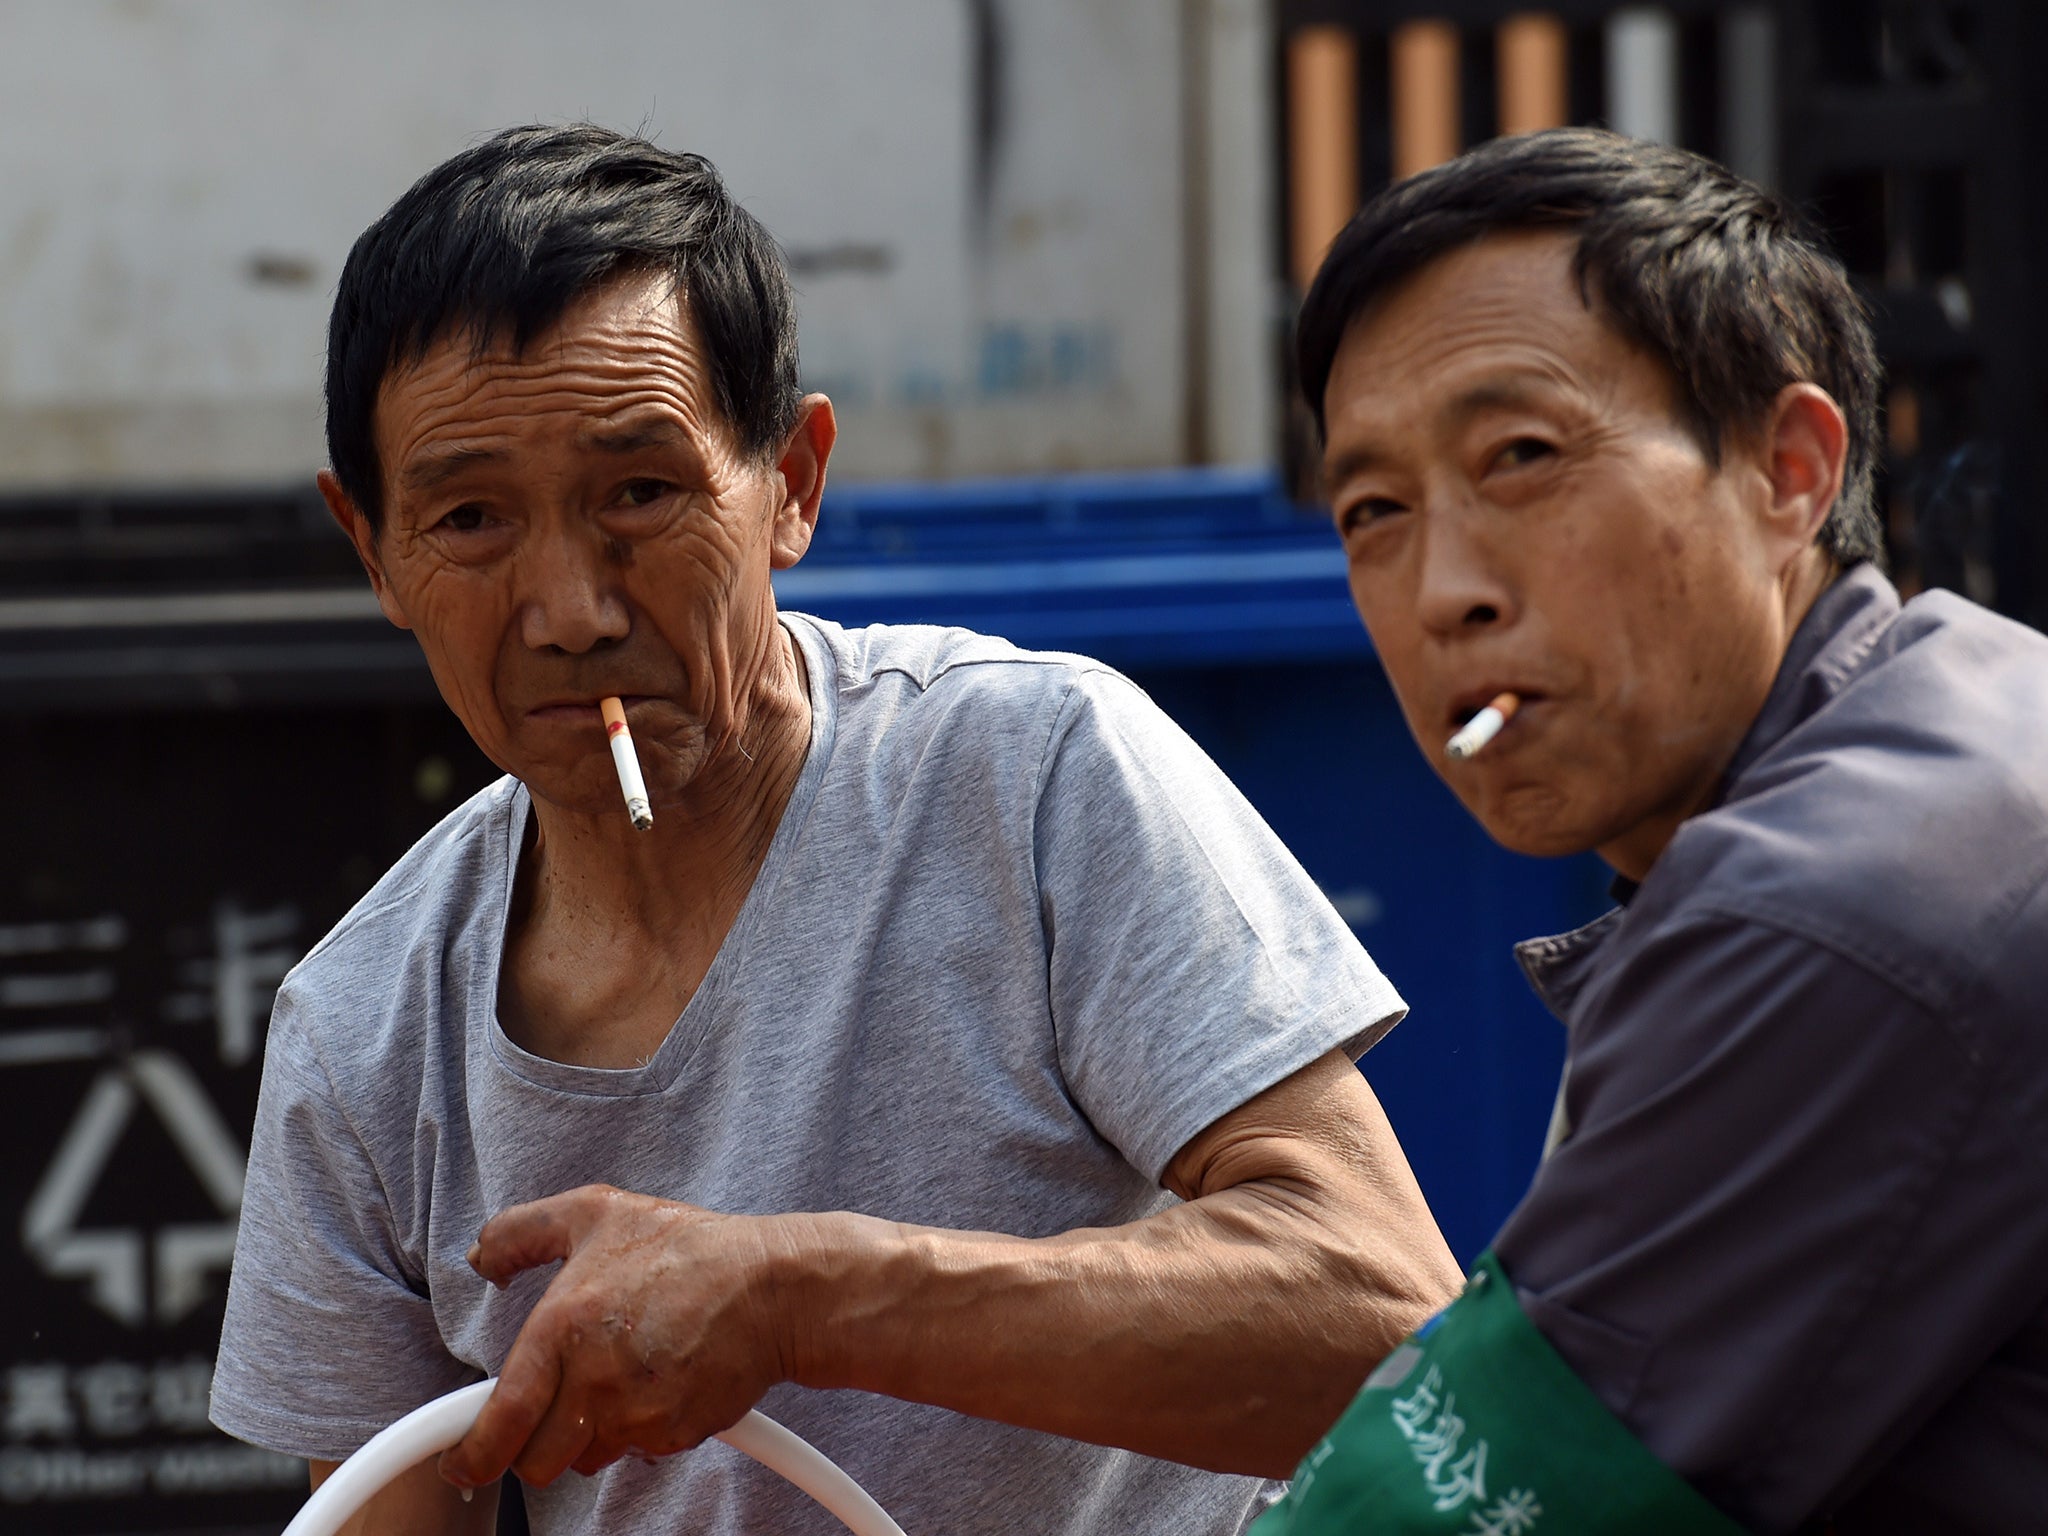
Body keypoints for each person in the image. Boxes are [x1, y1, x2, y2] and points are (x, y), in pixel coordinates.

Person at [208, 124, 1462, 1536]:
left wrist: (799, 1296)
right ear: (372, 547)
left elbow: (1388, 1319)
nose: (570, 610)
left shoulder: (1032, 774)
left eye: (640, 493)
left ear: (792, 483)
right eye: (472, 519)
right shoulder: (362, 1031)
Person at [1255, 127, 2048, 1535]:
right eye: (1374, 511)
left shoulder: (1837, 906)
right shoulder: (1969, 707)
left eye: (1523, 456)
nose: (1445, 593)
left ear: (1788, 470)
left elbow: (1454, 1509)